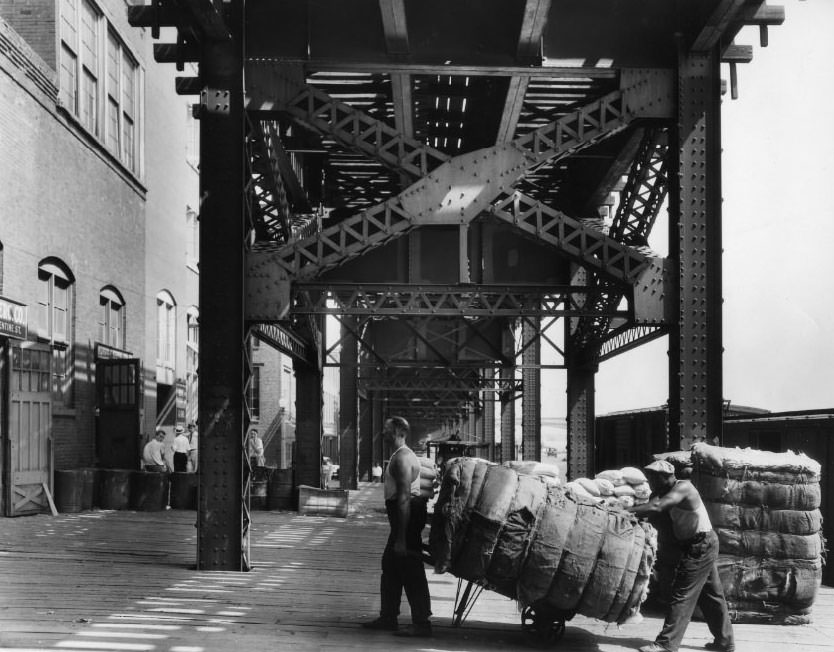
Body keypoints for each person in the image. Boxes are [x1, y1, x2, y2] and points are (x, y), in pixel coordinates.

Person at [629, 459, 734, 652]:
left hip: (701, 544)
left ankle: (666, 645)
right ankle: (725, 642)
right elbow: (651, 511)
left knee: (682, 595)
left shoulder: (683, 487)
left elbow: (657, 508)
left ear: (665, 477)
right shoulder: (660, 492)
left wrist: (625, 511)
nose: (650, 482)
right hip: (697, 545)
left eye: (653, 478)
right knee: (712, 595)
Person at [362, 416, 432, 637]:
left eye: (387, 430)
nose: (383, 433)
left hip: (405, 521)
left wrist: (401, 538)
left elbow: (403, 499)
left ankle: (421, 623)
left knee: (411, 570)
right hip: (406, 519)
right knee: (391, 567)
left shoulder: (401, 459)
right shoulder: (403, 455)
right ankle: (388, 617)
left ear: (400, 432)